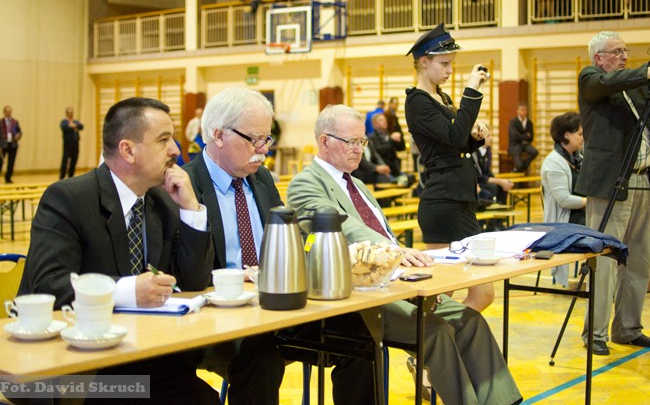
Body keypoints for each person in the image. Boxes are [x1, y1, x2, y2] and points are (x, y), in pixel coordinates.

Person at [287, 104, 523, 405]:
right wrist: (396, 253)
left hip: (398, 281)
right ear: (324, 141)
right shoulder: (305, 183)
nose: (359, 149)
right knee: (435, 331)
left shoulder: (358, 184)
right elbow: (343, 227)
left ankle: (502, 402)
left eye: (362, 141)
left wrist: (413, 271)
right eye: (351, 142)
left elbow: (385, 233)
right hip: (360, 295)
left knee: (469, 320)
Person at [18, 97, 219, 404]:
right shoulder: (68, 199)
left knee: (202, 399)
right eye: (163, 140)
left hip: (141, 357)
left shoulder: (162, 203)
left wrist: (191, 209)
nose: (175, 151)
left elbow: (192, 283)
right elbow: (50, 286)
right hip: (71, 369)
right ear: (128, 150)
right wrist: (129, 290)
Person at [183, 87, 286, 405]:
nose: (263, 150)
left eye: (266, 139)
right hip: (216, 316)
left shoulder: (262, 179)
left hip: (272, 306)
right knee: (263, 354)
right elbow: (183, 272)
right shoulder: (184, 186)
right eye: (254, 139)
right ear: (218, 135)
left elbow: (283, 239)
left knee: (357, 336)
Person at [404, 23, 494, 313]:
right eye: (444, 64)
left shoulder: (442, 98)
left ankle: (440, 340)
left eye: (451, 64)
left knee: (463, 294)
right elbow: (454, 137)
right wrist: (472, 91)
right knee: (452, 293)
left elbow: (458, 143)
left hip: (459, 200)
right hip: (443, 203)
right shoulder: (417, 101)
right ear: (423, 62)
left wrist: (475, 137)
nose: (450, 70)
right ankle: (435, 340)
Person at [575, 30, 650, 356]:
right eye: (617, 51)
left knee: (640, 260)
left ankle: (628, 327)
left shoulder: (633, 86)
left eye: (625, 50)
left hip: (643, 181)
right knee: (604, 261)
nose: (624, 56)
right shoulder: (591, 79)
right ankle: (595, 332)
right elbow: (606, 83)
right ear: (599, 57)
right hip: (610, 183)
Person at [541, 111, 586, 287]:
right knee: (602, 229)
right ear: (567, 135)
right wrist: (591, 203)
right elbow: (564, 200)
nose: (583, 138)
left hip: (579, 214)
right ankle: (595, 280)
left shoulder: (578, 157)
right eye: (579, 134)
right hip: (564, 220)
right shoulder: (553, 162)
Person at [473, 122, 513, 205]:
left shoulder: (488, 150)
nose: (491, 138)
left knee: (502, 187)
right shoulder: (474, 152)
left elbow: (488, 172)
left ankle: (501, 211)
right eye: (488, 136)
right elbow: (479, 176)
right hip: (476, 182)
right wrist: (499, 182)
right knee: (494, 188)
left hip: (484, 180)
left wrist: (501, 181)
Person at [368, 113, 406, 178]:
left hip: (395, 170)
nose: (385, 122)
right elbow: (379, 151)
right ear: (375, 124)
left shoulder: (389, 134)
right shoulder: (372, 138)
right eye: (381, 120)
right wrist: (392, 141)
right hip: (384, 172)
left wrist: (400, 138)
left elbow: (401, 148)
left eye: (385, 120)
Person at [508, 102, 539, 172]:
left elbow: (531, 137)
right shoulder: (513, 122)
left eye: (525, 110)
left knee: (535, 152)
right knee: (519, 165)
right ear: (517, 111)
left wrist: (520, 136)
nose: (524, 112)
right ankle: (519, 167)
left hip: (525, 144)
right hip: (515, 145)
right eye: (522, 110)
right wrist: (526, 135)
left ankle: (523, 166)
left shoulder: (529, 122)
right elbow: (514, 136)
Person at [59, 106, 84, 180]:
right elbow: (64, 127)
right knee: (65, 160)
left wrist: (74, 125)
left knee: (74, 160)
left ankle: (71, 176)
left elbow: (81, 126)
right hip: (67, 144)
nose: (71, 114)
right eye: (69, 113)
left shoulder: (75, 121)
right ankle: (62, 176)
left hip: (75, 144)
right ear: (67, 113)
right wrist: (73, 127)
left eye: (72, 113)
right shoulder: (64, 122)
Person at [1, 105, 22, 184]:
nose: (9, 113)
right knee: (0, 162)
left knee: (11, 163)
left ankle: (8, 178)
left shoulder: (15, 122)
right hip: (3, 145)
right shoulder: (1, 122)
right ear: (4, 112)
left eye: (10, 111)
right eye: (7, 111)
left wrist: (18, 135)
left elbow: (19, 132)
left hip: (13, 145)